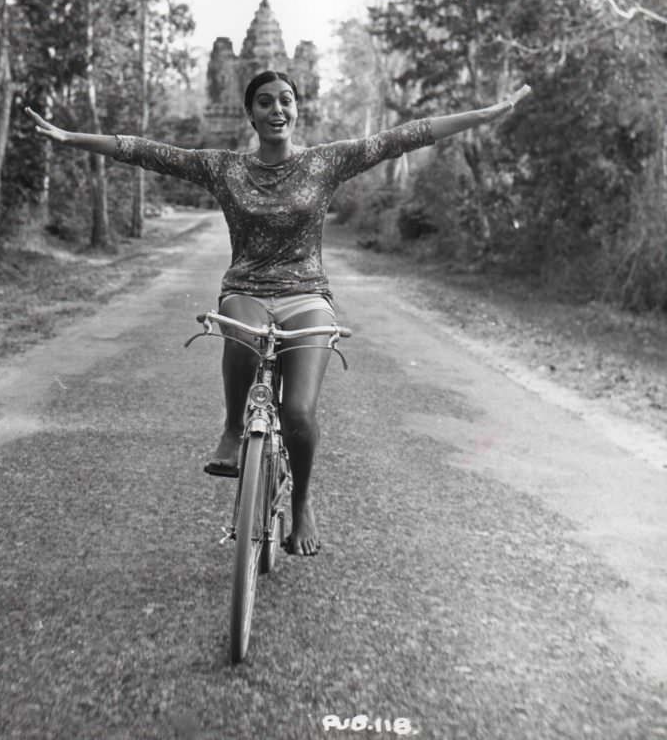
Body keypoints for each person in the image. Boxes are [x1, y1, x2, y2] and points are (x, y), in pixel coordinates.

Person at [26, 72, 531, 556]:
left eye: (285, 100)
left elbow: (404, 137)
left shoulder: (324, 163)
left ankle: (303, 502)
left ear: (297, 109)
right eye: (265, 101)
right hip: (246, 288)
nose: (277, 109)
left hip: (308, 295)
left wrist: (485, 114)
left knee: (298, 414)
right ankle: (231, 429)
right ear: (249, 113)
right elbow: (144, 151)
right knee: (240, 335)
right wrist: (71, 137)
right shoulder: (222, 167)